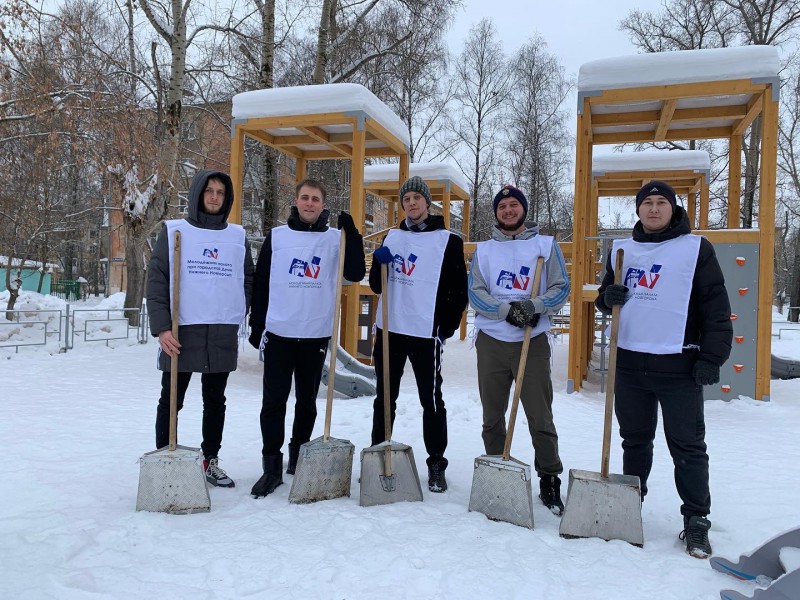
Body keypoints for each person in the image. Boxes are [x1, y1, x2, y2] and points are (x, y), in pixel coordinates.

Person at [595, 180, 732, 558]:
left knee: (687, 445)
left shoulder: (695, 248)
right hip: (630, 362)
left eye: (661, 202)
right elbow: (605, 299)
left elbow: (715, 306)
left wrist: (711, 357)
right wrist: (607, 298)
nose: (653, 209)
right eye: (647, 203)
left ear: (673, 208)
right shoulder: (621, 250)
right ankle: (631, 502)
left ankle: (696, 519)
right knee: (634, 441)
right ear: (638, 209)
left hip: (679, 364)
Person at [248, 178, 365, 498]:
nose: (310, 203)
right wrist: (257, 325)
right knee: (273, 402)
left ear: (323, 205)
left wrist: (353, 235)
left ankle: (298, 457)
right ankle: (271, 467)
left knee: (306, 402)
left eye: (315, 198)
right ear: (296, 201)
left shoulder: (335, 238)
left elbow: (355, 273)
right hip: (280, 333)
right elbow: (261, 282)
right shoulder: (277, 237)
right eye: (305, 197)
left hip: (315, 334)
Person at [147, 169, 254, 488]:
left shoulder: (236, 236)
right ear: (198, 193)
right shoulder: (175, 232)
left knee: (215, 400)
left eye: (221, 192)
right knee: (172, 399)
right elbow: (157, 280)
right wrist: (162, 328)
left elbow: (247, 278)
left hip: (220, 331)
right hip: (181, 332)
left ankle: (211, 460)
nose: (214, 197)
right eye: (209, 190)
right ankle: (165, 460)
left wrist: (238, 308)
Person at [468, 184, 570, 514]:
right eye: (502, 206)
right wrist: (505, 311)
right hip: (492, 340)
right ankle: (497, 470)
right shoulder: (484, 250)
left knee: (540, 414)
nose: (508, 210)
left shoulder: (545, 245)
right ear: (496, 213)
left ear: (523, 209)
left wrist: (534, 306)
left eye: (514, 205)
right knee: (492, 415)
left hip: (532, 339)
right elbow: (476, 292)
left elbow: (560, 287)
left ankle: (550, 476)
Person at [369, 175, 468, 493]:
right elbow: (376, 286)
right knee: (385, 396)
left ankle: (436, 463)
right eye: (406, 199)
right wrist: (378, 265)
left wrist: (446, 327)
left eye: (417, 198)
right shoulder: (392, 238)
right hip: (391, 328)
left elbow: (458, 290)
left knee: (431, 399)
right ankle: (378, 454)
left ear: (427, 202)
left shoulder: (447, 241)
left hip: (425, 332)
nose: (411, 203)